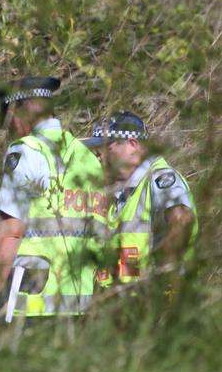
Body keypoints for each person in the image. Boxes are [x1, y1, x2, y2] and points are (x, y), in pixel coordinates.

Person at [0, 77, 107, 327]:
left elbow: (11, 233)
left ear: (18, 113)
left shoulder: (27, 151)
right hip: (78, 307)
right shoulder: (87, 157)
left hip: (29, 309)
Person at [83, 111, 198, 286]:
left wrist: (166, 278)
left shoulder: (159, 178)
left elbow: (182, 218)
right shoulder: (120, 191)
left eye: (107, 147)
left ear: (132, 144)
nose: (99, 154)